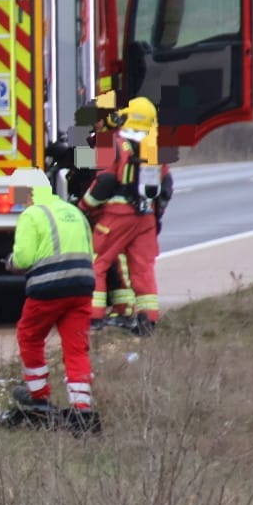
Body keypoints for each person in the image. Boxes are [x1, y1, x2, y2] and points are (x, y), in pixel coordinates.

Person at [6, 178, 98, 432]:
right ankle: (83, 409)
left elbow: (24, 258)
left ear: (28, 194)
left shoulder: (32, 214)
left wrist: (11, 262)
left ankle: (39, 398)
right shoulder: (74, 211)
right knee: (76, 348)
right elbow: (91, 251)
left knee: (30, 336)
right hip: (82, 286)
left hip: (49, 287)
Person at [80, 97, 162, 336]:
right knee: (142, 267)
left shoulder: (113, 143)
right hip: (145, 215)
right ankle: (148, 320)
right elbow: (165, 185)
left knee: (96, 261)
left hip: (117, 215)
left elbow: (104, 181)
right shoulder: (153, 147)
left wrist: (84, 206)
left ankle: (93, 318)